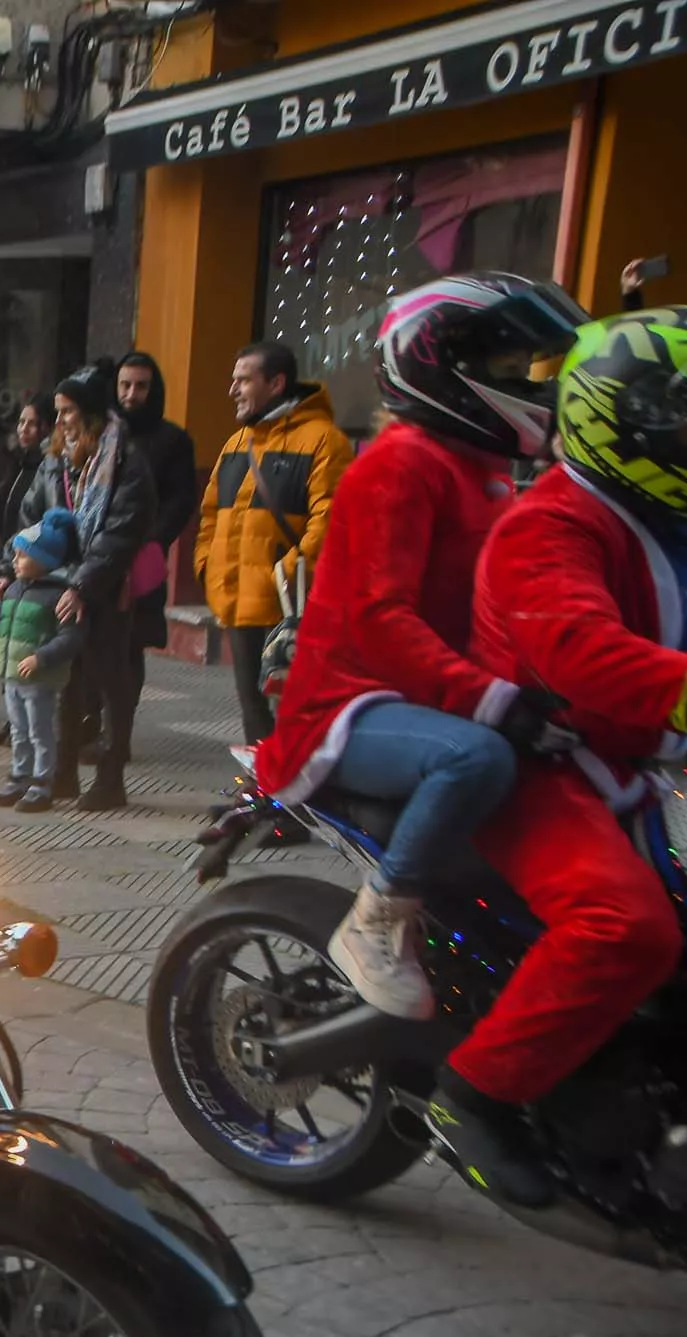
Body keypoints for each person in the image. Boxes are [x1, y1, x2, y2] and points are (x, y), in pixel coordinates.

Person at [257, 275, 585, 1022]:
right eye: (508, 368)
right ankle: (375, 921)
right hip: (351, 704)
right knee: (478, 757)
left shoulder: (485, 470)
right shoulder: (399, 465)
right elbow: (382, 622)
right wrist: (497, 702)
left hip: (426, 694)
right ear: (445, 369)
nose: (529, 384)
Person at [436, 307, 687, 1206]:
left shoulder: (662, 511)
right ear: (618, 417)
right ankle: (477, 1094)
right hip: (540, 766)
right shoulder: (549, 525)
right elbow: (582, 650)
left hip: (641, 764)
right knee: (629, 928)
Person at [6, 363, 154, 810]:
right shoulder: (56, 459)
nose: (61, 420)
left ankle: (111, 778)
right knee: (63, 683)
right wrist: (9, 568)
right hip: (55, 584)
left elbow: (120, 532)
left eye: (68, 411)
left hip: (105, 588)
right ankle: (62, 774)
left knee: (110, 681)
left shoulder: (125, 458)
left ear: (89, 413)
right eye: (58, 411)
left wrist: (84, 585)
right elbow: (30, 516)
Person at [195, 340, 355, 744]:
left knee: (294, 718)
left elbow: (331, 522)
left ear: (276, 382)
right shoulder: (235, 445)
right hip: (237, 602)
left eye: (244, 380)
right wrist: (206, 567)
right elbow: (210, 517)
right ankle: (261, 797)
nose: (233, 390)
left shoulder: (324, 441)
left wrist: (285, 575)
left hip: (288, 610)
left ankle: (290, 799)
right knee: (253, 714)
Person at [0, 511, 84, 812]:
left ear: (44, 560)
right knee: (19, 730)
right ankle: (19, 778)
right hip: (13, 676)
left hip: (39, 679)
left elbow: (71, 638)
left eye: (22, 555)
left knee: (40, 732)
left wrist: (41, 658)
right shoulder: (13, 590)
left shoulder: (58, 596)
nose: (14, 561)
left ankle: (43, 785)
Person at [110, 353, 200, 764]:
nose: (132, 394)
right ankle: (90, 727)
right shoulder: (105, 432)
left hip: (141, 561)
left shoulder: (172, 440)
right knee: (87, 648)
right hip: (98, 558)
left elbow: (182, 499)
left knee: (129, 648)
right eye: (125, 385)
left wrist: (154, 541)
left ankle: (119, 736)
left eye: (141, 386)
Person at [0, 394, 55, 749]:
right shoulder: (7, 463)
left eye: (33, 423)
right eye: (21, 423)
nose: (25, 430)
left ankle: (31, 722)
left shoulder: (46, 467)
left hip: (32, 564)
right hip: (4, 560)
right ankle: (13, 716)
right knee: (6, 640)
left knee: (27, 642)